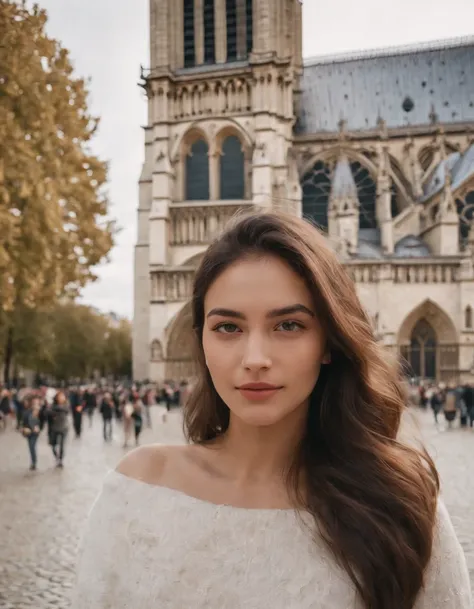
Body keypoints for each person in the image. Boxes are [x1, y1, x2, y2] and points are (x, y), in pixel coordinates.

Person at [70, 211, 471, 609]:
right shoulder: (137, 487)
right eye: (228, 327)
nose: (255, 358)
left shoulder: (401, 508)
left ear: (329, 342)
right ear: (201, 342)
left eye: (288, 326)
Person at [21, 395, 41, 471]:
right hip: (29, 432)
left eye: (37, 402)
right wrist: (24, 428)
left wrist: (39, 427)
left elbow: (43, 421)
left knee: (32, 446)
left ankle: (34, 462)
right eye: (34, 402)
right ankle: (33, 461)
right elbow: (23, 422)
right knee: (31, 447)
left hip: (35, 433)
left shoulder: (40, 411)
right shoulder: (27, 412)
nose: (35, 404)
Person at [50, 390, 69, 468]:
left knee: (62, 445)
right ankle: (56, 456)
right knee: (53, 445)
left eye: (62, 396)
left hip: (64, 427)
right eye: (60, 396)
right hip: (54, 427)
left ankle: (60, 459)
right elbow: (49, 412)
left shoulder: (65, 405)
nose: (61, 398)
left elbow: (66, 410)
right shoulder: (53, 406)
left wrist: (57, 409)